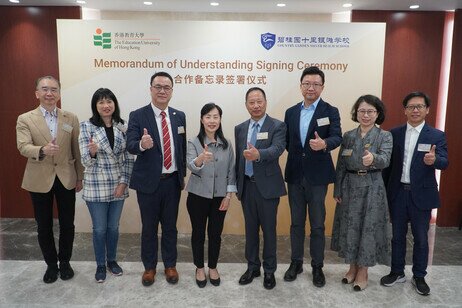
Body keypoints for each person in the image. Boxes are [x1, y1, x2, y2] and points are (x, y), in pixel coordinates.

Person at [16, 76, 84, 283]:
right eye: (45, 89)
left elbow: (76, 149)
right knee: (43, 225)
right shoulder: (25, 118)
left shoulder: (70, 118)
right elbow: (22, 146)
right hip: (39, 178)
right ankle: (51, 265)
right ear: (37, 93)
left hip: (66, 177)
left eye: (54, 89)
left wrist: (80, 176)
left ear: (59, 94)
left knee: (67, 224)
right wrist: (42, 150)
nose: (49, 93)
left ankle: (65, 263)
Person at [380, 91, 448, 296]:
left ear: (427, 109)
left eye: (419, 106)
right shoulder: (394, 133)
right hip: (398, 192)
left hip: (422, 195)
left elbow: (445, 162)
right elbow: (388, 167)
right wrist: (384, 191)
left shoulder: (436, 135)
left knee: (420, 237)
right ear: (405, 110)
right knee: (397, 236)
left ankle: (419, 276)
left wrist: (433, 161)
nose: (415, 110)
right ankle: (397, 271)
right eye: (411, 107)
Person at [283, 66, 342, 287]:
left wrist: (324, 144)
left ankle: (317, 266)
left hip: (318, 177)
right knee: (296, 223)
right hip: (295, 175)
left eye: (316, 84)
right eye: (307, 83)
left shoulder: (330, 110)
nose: (311, 87)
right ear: (300, 86)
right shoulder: (291, 112)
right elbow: (289, 142)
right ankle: (296, 263)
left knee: (317, 224)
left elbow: (337, 137)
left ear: (322, 87)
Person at [126, 71, 186, 286]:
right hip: (148, 184)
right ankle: (149, 267)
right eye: (158, 86)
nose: (162, 91)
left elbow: (181, 147)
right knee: (149, 227)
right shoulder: (138, 115)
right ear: (151, 89)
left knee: (170, 227)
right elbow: (130, 144)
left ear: (172, 91)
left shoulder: (179, 116)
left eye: (166, 87)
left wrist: (182, 175)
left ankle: (170, 265)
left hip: (172, 182)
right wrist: (142, 144)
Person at [331, 95, 392, 291]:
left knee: (367, 228)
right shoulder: (348, 136)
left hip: (372, 187)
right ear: (356, 113)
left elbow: (385, 159)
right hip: (349, 186)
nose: (365, 115)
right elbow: (340, 164)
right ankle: (351, 268)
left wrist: (373, 158)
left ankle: (363, 271)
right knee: (350, 227)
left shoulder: (385, 136)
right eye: (362, 111)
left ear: (377, 114)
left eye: (370, 111)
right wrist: (337, 188)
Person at [78, 88, 134, 283]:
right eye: (101, 102)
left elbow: (128, 158)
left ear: (114, 104)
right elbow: (85, 161)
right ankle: (100, 264)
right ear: (95, 106)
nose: (106, 105)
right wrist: (92, 152)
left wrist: (123, 182)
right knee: (100, 229)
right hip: (96, 185)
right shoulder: (86, 126)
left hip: (118, 184)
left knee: (113, 228)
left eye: (109, 101)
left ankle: (112, 261)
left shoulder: (123, 126)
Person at [235, 87, 287, 290]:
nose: (256, 105)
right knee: (250, 230)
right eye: (251, 102)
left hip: (268, 188)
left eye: (259, 101)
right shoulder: (240, 128)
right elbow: (239, 159)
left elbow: (278, 149)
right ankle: (252, 267)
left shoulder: (278, 126)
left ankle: (269, 271)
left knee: (269, 231)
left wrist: (259, 154)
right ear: (246, 104)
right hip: (247, 186)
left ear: (265, 102)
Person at [185, 103, 237, 288]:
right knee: (198, 233)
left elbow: (232, 171)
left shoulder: (227, 144)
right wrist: (200, 159)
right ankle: (199, 267)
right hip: (197, 196)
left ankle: (213, 267)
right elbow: (190, 165)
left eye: (216, 116)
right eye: (208, 116)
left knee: (215, 234)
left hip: (220, 197)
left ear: (220, 119)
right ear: (201, 119)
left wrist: (228, 196)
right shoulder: (193, 142)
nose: (212, 120)